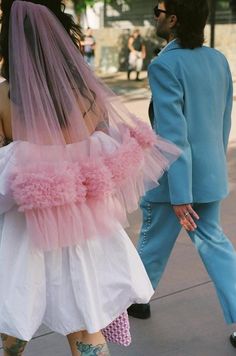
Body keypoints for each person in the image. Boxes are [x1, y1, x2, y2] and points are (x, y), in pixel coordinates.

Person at [0, 1, 181, 355]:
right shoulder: (87, 94)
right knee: (85, 325)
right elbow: (105, 162)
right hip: (84, 234)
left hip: (25, 234)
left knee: (15, 313)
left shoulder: (4, 97)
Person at [128, 0, 236, 344]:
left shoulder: (165, 65)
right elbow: (223, 122)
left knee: (153, 243)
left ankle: (134, 301)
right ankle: (137, 300)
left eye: (158, 11)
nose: (154, 17)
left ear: (173, 20)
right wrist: (209, 175)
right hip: (208, 177)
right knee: (211, 245)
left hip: (173, 182)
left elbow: (173, 137)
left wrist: (180, 196)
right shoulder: (218, 60)